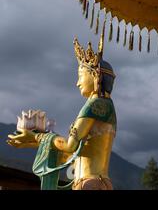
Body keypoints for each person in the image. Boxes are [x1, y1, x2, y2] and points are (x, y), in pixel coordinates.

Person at [7, 36, 117, 190]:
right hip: (98, 181)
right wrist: (31, 142)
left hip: (89, 183)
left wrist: (37, 136)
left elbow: (71, 146)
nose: (77, 83)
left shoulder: (94, 105)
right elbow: (73, 154)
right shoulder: (106, 106)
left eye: (80, 76)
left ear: (95, 75)